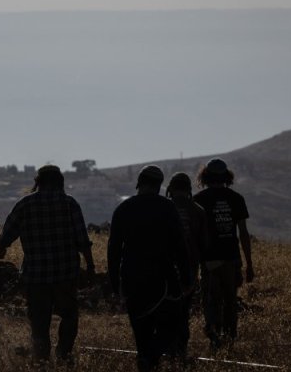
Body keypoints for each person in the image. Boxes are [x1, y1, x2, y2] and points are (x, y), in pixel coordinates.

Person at [0, 164, 95, 365]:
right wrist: (90, 266)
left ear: (38, 182)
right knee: (69, 316)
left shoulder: (25, 204)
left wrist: (2, 248)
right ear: (60, 182)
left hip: (36, 276)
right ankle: (63, 355)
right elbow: (82, 240)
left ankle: (41, 361)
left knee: (39, 323)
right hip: (66, 275)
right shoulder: (70, 204)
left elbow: (7, 233)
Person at [108, 165, 191, 372]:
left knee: (141, 333)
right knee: (172, 325)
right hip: (163, 279)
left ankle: (146, 360)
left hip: (132, 278)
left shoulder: (124, 209)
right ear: (159, 185)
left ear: (139, 183)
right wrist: (187, 277)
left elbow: (113, 249)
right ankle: (152, 357)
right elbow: (180, 245)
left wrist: (114, 283)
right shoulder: (167, 207)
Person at [193, 158, 254, 348]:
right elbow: (243, 233)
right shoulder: (236, 199)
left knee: (211, 299)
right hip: (231, 258)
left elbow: (194, 235)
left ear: (205, 176)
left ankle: (214, 335)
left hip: (209, 260)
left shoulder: (198, 200)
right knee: (230, 300)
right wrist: (249, 264)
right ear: (227, 176)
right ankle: (230, 339)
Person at [165, 172, 208, 360]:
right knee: (184, 311)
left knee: (165, 309)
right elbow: (204, 245)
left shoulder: (163, 208)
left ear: (170, 189)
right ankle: (181, 349)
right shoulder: (198, 211)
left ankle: (167, 349)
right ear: (189, 189)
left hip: (164, 269)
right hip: (190, 269)